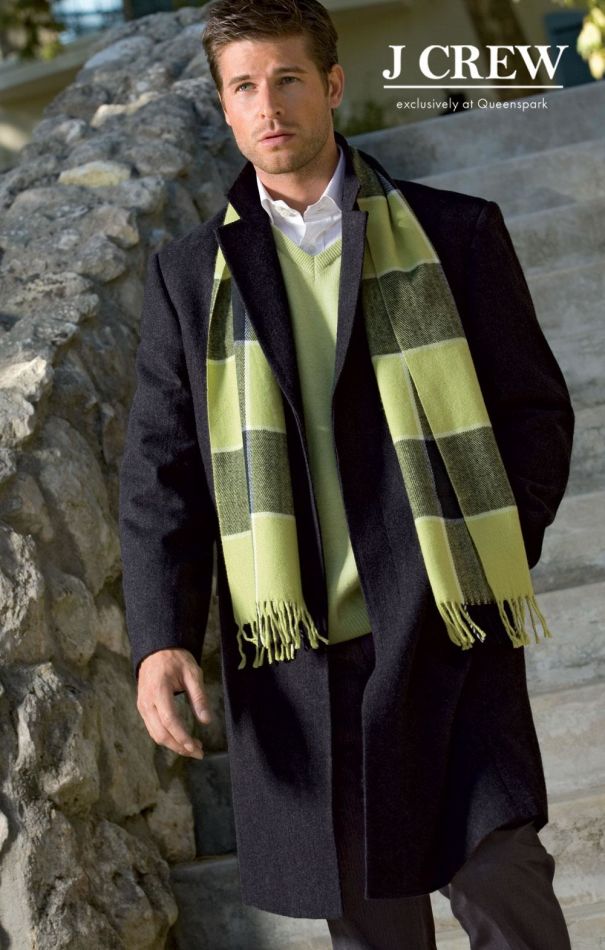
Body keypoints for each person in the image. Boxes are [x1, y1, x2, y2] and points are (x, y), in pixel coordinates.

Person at [118, 1, 575, 946]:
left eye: (287, 78)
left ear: (330, 85)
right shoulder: (188, 276)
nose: (268, 105)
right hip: (302, 662)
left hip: (447, 627)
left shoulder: (455, 232)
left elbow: (534, 414)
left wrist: (489, 544)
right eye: (244, 86)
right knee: (374, 934)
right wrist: (161, 638)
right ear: (224, 106)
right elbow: (163, 474)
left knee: (504, 890)